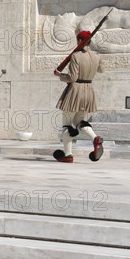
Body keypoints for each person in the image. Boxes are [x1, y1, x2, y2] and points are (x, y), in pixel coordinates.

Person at [53, 30, 104, 163]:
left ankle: (68, 154)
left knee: (67, 124)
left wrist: (60, 75)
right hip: (88, 90)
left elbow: (72, 77)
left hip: (75, 91)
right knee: (79, 121)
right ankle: (95, 139)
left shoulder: (76, 56)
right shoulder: (97, 56)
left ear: (79, 41)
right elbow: (101, 69)